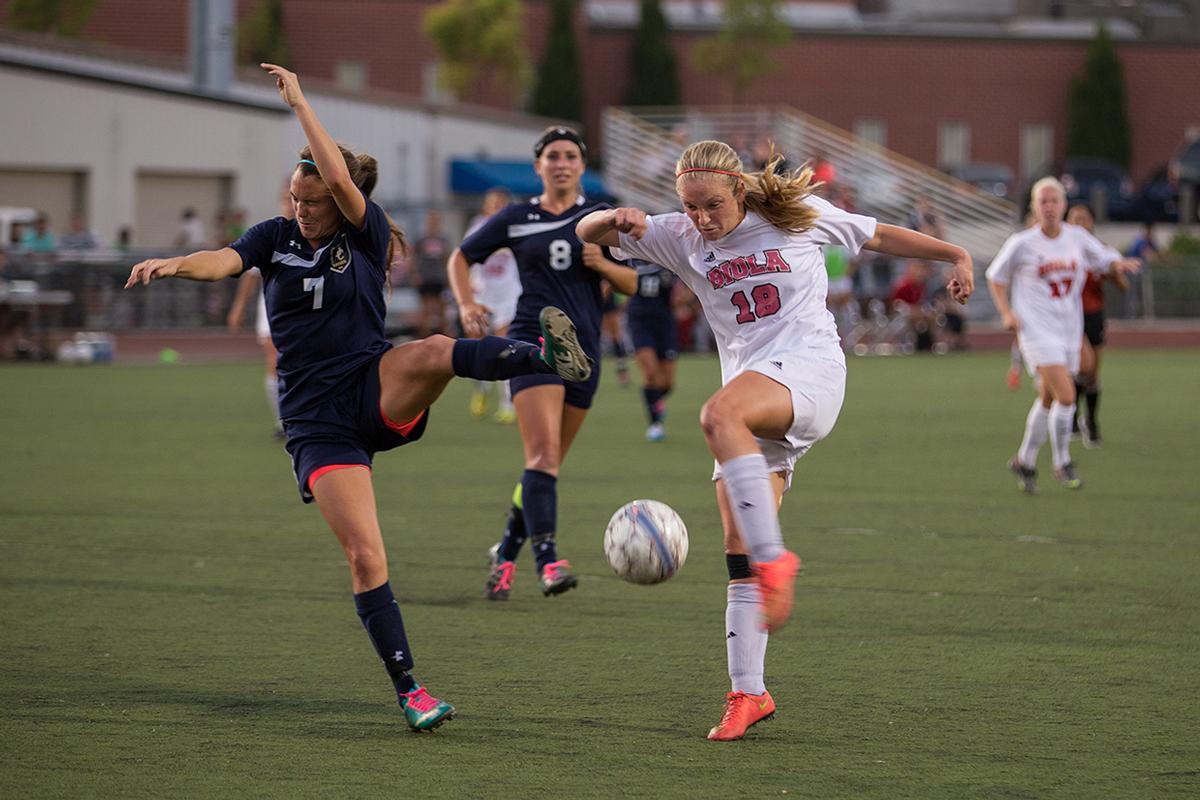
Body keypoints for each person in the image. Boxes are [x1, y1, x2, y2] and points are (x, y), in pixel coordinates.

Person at [124, 64, 593, 732]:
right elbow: (225, 260)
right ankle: (411, 690)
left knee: (434, 347)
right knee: (366, 556)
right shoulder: (273, 237)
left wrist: (302, 106)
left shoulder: (363, 235)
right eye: (294, 195)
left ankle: (542, 357)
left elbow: (340, 181)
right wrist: (175, 263)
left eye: (310, 197)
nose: (300, 206)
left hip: (373, 384)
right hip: (317, 421)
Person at [576, 139, 974, 742]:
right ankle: (748, 692)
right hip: (754, 401)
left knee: (714, 417)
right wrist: (615, 219)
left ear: (740, 189)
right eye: (689, 208)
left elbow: (880, 236)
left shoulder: (798, 217)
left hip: (810, 373)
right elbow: (585, 231)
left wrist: (956, 253)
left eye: (711, 205)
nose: (701, 219)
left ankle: (776, 558)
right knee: (737, 551)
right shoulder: (681, 237)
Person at [447, 125, 636, 601]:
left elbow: (630, 284)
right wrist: (467, 304)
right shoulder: (517, 215)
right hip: (535, 341)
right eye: (552, 155)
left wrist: (603, 265)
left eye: (570, 155)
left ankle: (505, 555)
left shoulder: (598, 218)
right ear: (538, 166)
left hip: (585, 350)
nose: (561, 163)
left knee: (545, 468)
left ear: (581, 165)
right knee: (543, 458)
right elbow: (460, 258)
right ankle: (548, 560)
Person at [985, 178, 1140, 494]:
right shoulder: (1022, 243)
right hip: (1036, 331)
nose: (1049, 207)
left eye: (1054, 200)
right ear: (1034, 206)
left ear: (1064, 205)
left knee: (1049, 396)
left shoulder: (1076, 238)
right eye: (1043, 201)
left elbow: (1103, 256)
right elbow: (995, 277)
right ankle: (1061, 461)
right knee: (1068, 396)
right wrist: (1006, 312)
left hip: (1068, 329)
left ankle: (1025, 460)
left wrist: (1117, 263)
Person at [227, 182, 297, 437]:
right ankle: (283, 421)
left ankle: (300, 415)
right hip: (272, 310)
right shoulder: (271, 234)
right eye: (286, 199)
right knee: (275, 359)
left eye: (295, 199)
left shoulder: (316, 233)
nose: (290, 204)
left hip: (305, 313)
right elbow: (250, 275)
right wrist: (238, 308)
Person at [1066, 203, 1128, 447]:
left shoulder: (1101, 253)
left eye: (1084, 219)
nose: (1079, 223)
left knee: (1092, 373)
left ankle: (1089, 420)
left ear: (1092, 223)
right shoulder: (1061, 251)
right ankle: (1071, 417)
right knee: (1080, 365)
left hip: (1094, 315)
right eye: (1074, 219)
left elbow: (1123, 286)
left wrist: (1114, 273)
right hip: (1069, 317)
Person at [464, 188, 524, 424]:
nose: (497, 207)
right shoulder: (477, 228)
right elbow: (464, 260)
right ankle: (481, 389)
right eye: (493, 203)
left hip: (508, 296)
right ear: (486, 207)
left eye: (501, 203)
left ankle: (507, 403)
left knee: (505, 347)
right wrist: (469, 288)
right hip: (483, 297)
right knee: (477, 347)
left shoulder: (515, 228)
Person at [625, 258, 679, 441]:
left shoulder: (668, 260)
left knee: (667, 384)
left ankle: (655, 400)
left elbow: (678, 296)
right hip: (639, 321)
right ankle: (655, 424)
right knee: (650, 373)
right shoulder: (630, 261)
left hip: (664, 323)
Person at [413, 210, 450, 337]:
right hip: (426, 278)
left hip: (439, 278)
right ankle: (423, 337)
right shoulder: (421, 240)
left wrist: (448, 277)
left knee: (442, 310)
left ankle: (445, 338)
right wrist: (415, 274)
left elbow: (447, 259)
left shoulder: (443, 240)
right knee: (426, 310)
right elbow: (414, 258)